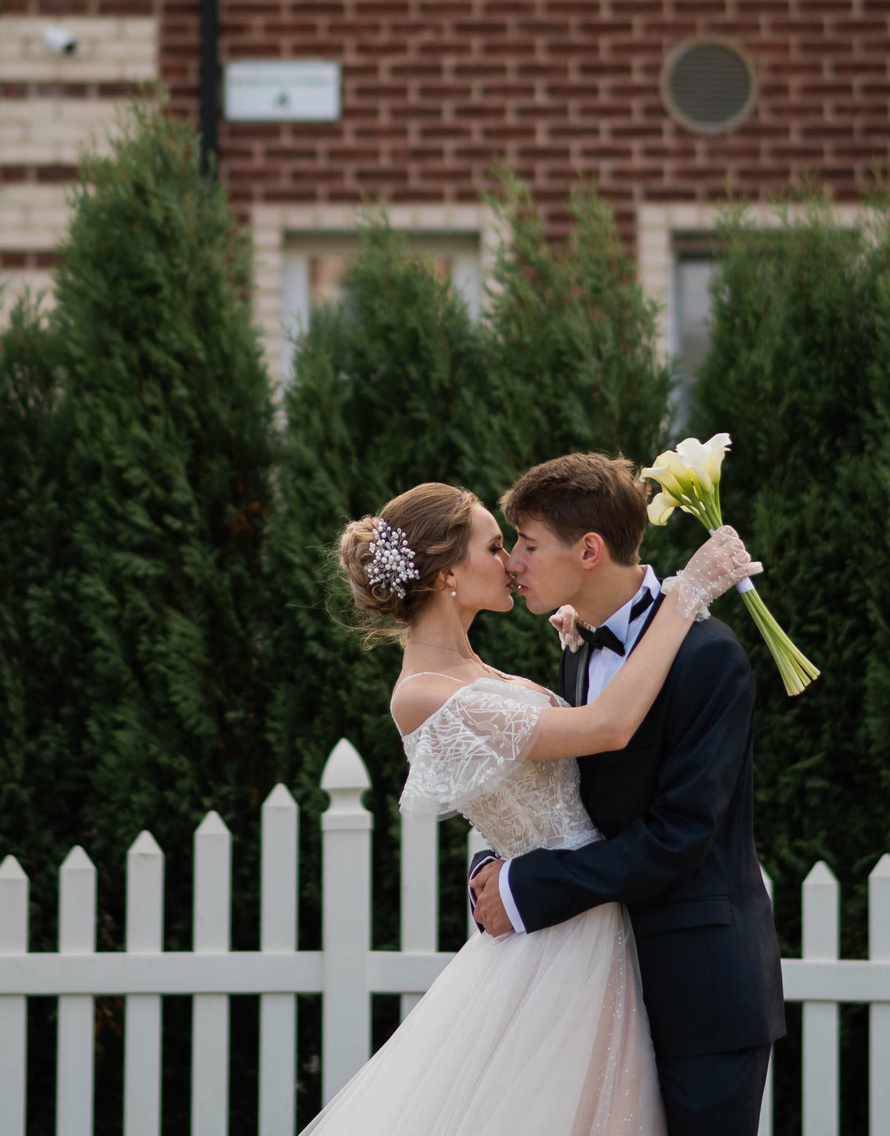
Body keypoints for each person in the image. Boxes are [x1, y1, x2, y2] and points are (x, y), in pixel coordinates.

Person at [300, 478, 759, 1136]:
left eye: (518, 544)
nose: (512, 561)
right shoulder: (423, 693)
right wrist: (685, 596)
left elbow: (542, 790)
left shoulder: (501, 665)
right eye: (496, 546)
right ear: (449, 573)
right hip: (559, 944)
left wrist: (589, 637)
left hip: (613, 937)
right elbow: (607, 728)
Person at [470, 454, 783, 1136]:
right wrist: (496, 864)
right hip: (596, 984)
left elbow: (679, 835)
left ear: (589, 550)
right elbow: (571, 801)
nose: (513, 561)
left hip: (700, 990)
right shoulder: (577, 647)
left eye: (527, 543)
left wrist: (529, 887)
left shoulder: (709, 656)